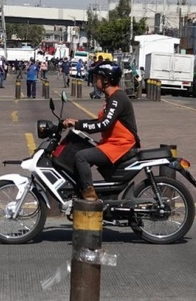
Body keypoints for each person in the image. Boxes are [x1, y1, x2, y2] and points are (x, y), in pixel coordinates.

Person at [60, 61, 141, 201]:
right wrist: (77, 123)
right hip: (113, 143)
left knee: (81, 157)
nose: (94, 80)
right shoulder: (112, 98)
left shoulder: (117, 98)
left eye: (97, 77)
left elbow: (104, 124)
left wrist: (78, 125)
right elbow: (100, 122)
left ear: (106, 80)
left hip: (122, 145)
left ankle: (89, 197)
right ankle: (107, 197)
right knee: (83, 147)